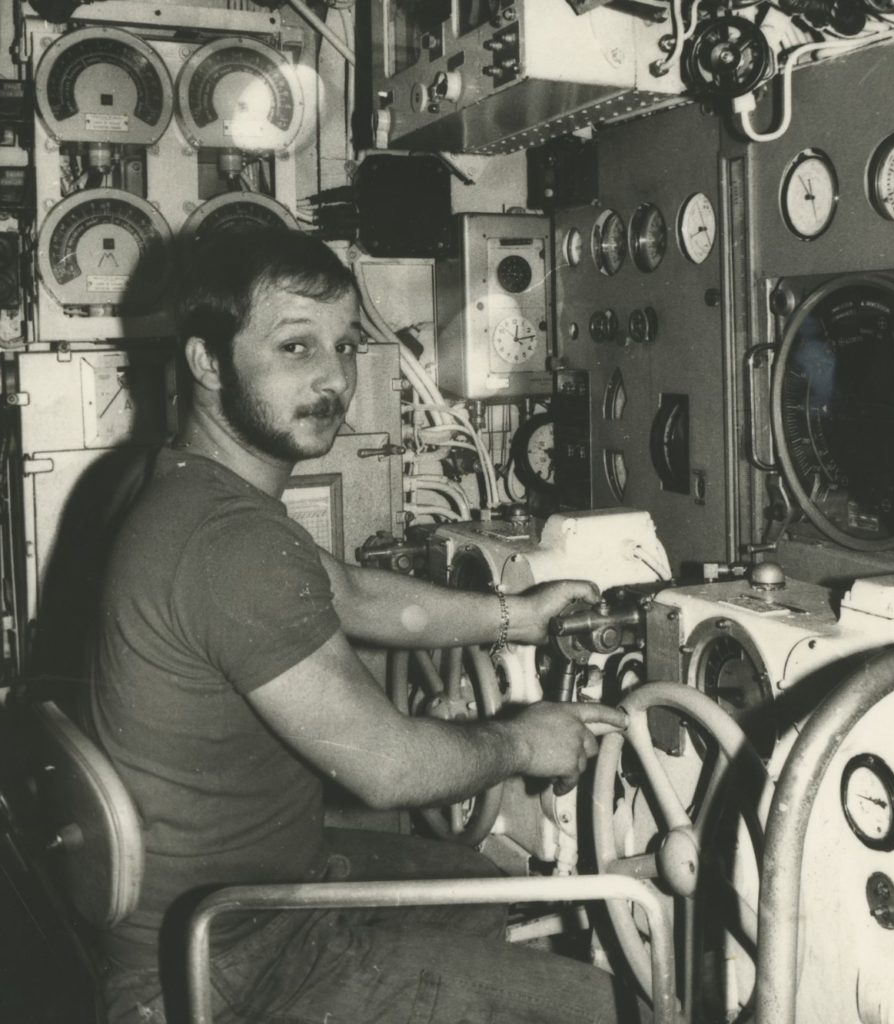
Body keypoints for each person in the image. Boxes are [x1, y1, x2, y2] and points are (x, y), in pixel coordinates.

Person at [88, 229, 636, 1024]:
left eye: (344, 346)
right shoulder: (229, 544)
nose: (336, 379)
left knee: (482, 890)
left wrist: (518, 617)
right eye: (296, 347)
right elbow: (384, 766)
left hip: (229, 899)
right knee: (606, 1008)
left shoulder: (182, 484)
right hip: (228, 960)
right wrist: (525, 740)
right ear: (208, 363)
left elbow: (340, 589)